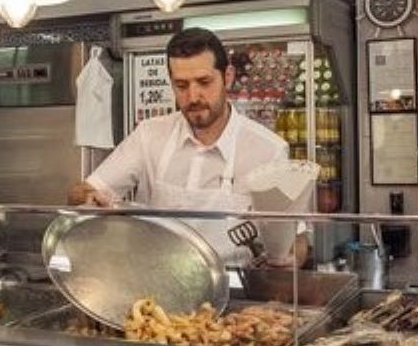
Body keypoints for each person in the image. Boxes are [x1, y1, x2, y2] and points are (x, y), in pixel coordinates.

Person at [67, 27, 307, 266]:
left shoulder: (268, 150)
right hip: (157, 286)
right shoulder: (149, 135)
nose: (193, 97)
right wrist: (92, 199)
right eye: (181, 85)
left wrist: (289, 260)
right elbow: (80, 192)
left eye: (204, 82)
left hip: (234, 290)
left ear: (228, 76)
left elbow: (297, 241)